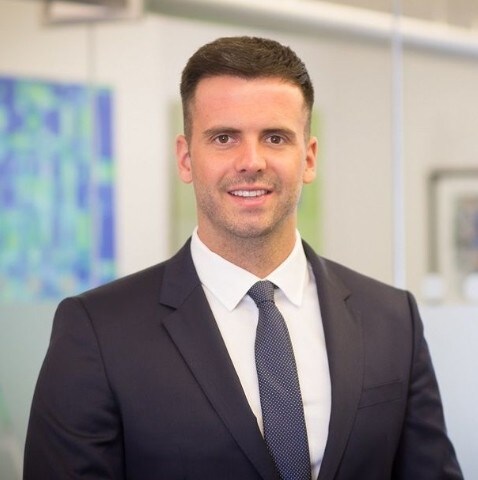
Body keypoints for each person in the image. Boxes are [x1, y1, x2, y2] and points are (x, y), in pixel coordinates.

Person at [24, 36, 463, 480]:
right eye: (224, 138)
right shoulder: (99, 331)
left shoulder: (392, 319)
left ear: (309, 158)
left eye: (275, 137)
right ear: (186, 158)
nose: (251, 162)